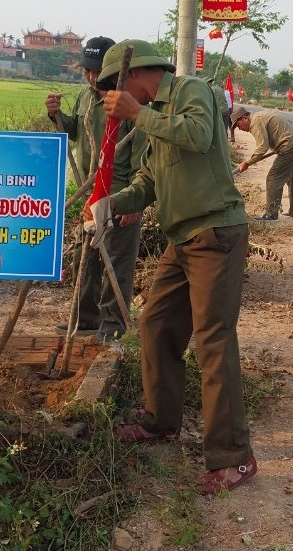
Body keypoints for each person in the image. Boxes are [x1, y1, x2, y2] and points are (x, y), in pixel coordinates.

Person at [85, 39, 256, 493]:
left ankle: (234, 458)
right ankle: (161, 421)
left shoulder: (191, 91)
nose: (113, 96)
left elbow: (198, 135)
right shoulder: (150, 122)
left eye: (116, 86)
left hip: (216, 234)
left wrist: (138, 114)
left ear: (135, 76)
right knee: (156, 324)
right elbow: (147, 180)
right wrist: (109, 203)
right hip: (182, 239)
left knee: (213, 341)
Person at [45, 36, 145, 339]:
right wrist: (56, 116)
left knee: (116, 262)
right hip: (90, 191)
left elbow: (143, 156)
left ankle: (113, 325)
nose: (91, 76)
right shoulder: (86, 97)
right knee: (83, 258)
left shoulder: (129, 102)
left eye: (96, 71)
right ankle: (85, 319)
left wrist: (134, 203)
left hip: (119, 194)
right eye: (86, 70)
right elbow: (76, 131)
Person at [232, 107, 293, 221]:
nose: (239, 129)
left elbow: (262, 147)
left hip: (289, 147)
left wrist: (247, 163)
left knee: (273, 178)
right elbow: (287, 123)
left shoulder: (255, 122)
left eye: (238, 125)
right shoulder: (262, 115)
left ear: (245, 118)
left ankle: (271, 215)